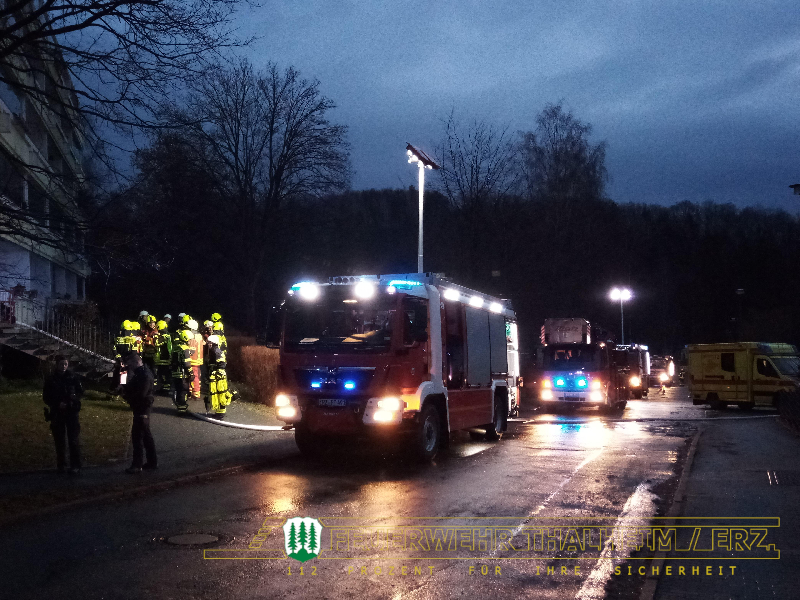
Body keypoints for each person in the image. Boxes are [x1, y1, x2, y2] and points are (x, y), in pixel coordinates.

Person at [43, 355, 84, 474]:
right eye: (61, 364)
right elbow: (46, 397)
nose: (64, 366)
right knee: (59, 440)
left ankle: (75, 465)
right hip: (57, 413)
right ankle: (61, 464)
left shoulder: (73, 377)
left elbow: (80, 392)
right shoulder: (51, 379)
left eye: (65, 364)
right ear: (57, 364)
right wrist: (57, 404)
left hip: (71, 412)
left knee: (73, 440)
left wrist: (73, 399)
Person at [123, 353, 157, 473]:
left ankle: (137, 465)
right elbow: (129, 386)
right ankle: (152, 462)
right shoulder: (141, 373)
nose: (130, 367)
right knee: (146, 436)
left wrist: (128, 397)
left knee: (137, 437)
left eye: (130, 365)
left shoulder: (144, 375)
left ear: (136, 362)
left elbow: (141, 393)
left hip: (142, 408)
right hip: (141, 408)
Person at [205, 335, 234, 418]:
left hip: (218, 376)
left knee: (220, 393)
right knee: (218, 393)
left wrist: (215, 373)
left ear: (214, 343)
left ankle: (220, 413)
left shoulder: (216, 351)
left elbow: (221, 364)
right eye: (208, 342)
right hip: (217, 375)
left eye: (210, 342)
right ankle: (219, 412)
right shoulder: (214, 350)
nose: (208, 344)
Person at [171, 329, 194, 412]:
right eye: (190, 339)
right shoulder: (184, 348)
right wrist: (191, 373)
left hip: (175, 372)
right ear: (186, 339)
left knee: (178, 390)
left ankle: (180, 406)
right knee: (183, 391)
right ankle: (182, 409)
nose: (191, 341)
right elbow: (187, 363)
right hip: (182, 373)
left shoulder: (176, 347)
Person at [154, 320, 173, 394]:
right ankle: (164, 388)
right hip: (165, 358)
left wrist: (155, 336)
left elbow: (157, 343)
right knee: (164, 374)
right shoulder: (167, 335)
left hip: (163, 359)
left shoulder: (164, 337)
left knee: (163, 374)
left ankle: (165, 390)